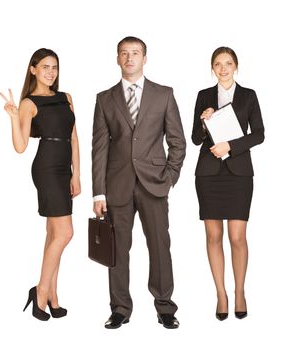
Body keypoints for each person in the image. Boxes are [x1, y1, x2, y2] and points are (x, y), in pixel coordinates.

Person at [92, 36, 186, 329]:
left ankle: (165, 307)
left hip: (155, 183)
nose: (129, 58)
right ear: (117, 59)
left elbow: (178, 142)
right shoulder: (104, 99)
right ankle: (120, 308)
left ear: (145, 59)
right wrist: (99, 192)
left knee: (160, 246)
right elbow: (100, 148)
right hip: (117, 186)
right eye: (124, 53)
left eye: (135, 53)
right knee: (116, 250)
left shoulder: (164, 94)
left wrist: (169, 177)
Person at [0, 48, 81, 321]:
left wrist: (77, 174)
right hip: (46, 168)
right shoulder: (28, 103)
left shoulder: (65, 97)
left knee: (53, 234)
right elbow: (21, 146)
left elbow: (74, 137)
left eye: (55, 67)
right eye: (45, 66)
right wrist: (13, 118)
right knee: (65, 234)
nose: (51, 72)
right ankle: (41, 290)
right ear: (33, 69)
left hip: (64, 168)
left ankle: (53, 296)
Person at [191, 47, 264, 321]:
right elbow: (196, 139)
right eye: (218, 64)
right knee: (213, 237)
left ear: (236, 66)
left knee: (237, 237)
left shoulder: (248, 96)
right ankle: (221, 294)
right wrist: (203, 120)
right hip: (208, 174)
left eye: (228, 63)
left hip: (239, 173)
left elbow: (259, 134)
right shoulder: (203, 96)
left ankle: (240, 292)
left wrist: (229, 147)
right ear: (212, 67)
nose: (223, 68)